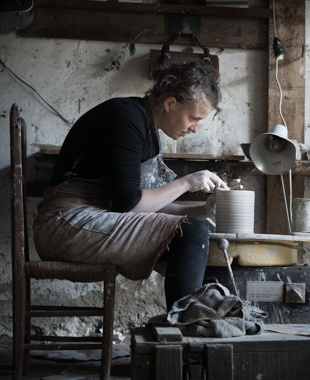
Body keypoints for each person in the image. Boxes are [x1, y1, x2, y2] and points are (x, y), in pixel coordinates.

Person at [33, 61, 227, 310]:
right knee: (189, 234)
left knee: (202, 237)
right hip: (64, 223)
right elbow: (130, 204)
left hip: (96, 217)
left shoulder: (147, 128)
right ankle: (184, 331)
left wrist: (203, 210)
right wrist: (189, 181)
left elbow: (148, 206)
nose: (195, 128)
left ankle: (208, 327)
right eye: (193, 118)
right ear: (170, 104)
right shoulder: (126, 117)